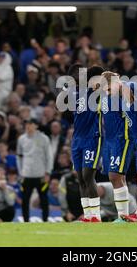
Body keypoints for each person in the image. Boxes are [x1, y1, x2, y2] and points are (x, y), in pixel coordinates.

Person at [56, 64, 104, 222]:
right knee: (80, 178)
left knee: (88, 175)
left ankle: (96, 215)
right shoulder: (72, 93)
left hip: (92, 138)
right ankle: (88, 215)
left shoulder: (95, 91)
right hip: (77, 140)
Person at [99, 71, 137, 223]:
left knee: (115, 176)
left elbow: (134, 112)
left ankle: (123, 215)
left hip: (122, 139)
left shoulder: (123, 97)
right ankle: (124, 215)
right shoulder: (103, 99)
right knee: (116, 177)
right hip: (109, 141)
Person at [17, 119, 53, 222]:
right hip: (26, 174)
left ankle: (45, 220)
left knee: (44, 199)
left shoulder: (44, 138)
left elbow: (49, 156)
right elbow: (19, 156)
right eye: (27, 125)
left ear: (36, 126)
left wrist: (48, 172)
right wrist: (21, 172)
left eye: (31, 124)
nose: (28, 127)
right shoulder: (21, 139)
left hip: (41, 174)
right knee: (25, 199)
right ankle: (26, 221)